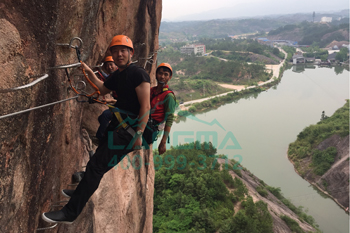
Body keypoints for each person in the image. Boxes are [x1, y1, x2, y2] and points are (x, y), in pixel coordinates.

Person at [42, 35, 150, 224]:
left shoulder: (138, 74)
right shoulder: (118, 74)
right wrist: (89, 71)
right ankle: (82, 189)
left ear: (131, 52)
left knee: (95, 166)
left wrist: (139, 134)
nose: (119, 54)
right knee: (99, 165)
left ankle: (70, 213)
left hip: (129, 132)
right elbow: (101, 89)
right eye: (115, 51)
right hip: (118, 128)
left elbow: (145, 107)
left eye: (123, 50)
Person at [147, 63, 176, 155]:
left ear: (169, 77)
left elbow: (170, 118)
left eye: (166, 74)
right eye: (160, 73)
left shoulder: (169, 96)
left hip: (151, 128)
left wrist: (163, 142)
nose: (162, 76)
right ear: (156, 74)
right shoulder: (151, 90)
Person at [96, 56, 118, 143]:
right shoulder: (113, 75)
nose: (109, 67)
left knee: (105, 115)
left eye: (111, 65)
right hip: (119, 103)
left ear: (115, 65)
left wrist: (110, 101)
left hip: (123, 106)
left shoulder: (118, 76)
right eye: (107, 66)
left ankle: (101, 138)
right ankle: (107, 134)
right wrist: (100, 71)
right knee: (101, 118)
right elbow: (107, 78)